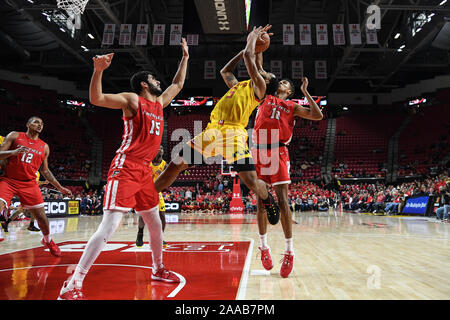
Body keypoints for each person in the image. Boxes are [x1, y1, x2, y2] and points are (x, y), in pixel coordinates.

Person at [58, 38, 189, 300]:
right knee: (110, 226)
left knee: (154, 223)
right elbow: (96, 98)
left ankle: (157, 269)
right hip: (126, 168)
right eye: (153, 79)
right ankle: (73, 282)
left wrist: (185, 57)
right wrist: (98, 70)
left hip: (144, 172)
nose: (158, 82)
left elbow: (177, 84)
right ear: (144, 83)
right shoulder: (132, 100)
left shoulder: (159, 103)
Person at [154, 25, 280, 223]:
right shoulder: (239, 85)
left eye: (267, 73)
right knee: (175, 165)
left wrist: (253, 39)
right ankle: (147, 195)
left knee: (251, 181)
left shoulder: (260, 88)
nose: (264, 71)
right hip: (211, 131)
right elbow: (226, 70)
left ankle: (268, 199)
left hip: (234, 134)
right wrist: (246, 49)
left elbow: (251, 58)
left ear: (266, 82)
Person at [251, 76, 323, 278]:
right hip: (259, 151)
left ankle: (289, 251)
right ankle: (264, 247)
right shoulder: (265, 96)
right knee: (261, 203)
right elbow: (259, 71)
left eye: (286, 83)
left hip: (279, 151)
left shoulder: (292, 105)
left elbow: (317, 116)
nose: (282, 83)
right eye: (280, 82)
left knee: (283, 202)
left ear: (290, 91)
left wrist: (306, 92)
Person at [0, 117, 72, 255]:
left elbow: (45, 171)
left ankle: (47, 240)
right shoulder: (15, 135)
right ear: (28, 124)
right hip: (9, 180)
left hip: (29, 184)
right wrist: (13, 153)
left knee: (42, 218)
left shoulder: (44, 146)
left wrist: (60, 188)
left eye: (42, 123)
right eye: (36, 122)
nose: (40, 125)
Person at [136, 145, 168, 247]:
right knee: (143, 214)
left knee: (162, 215)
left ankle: (160, 237)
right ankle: (140, 234)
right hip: (145, 191)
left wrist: (162, 175)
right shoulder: (147, 162)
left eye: (162, 148)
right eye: (159, 147)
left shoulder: (164, 165)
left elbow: (168, 178)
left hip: (157, 192)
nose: (161, 149)